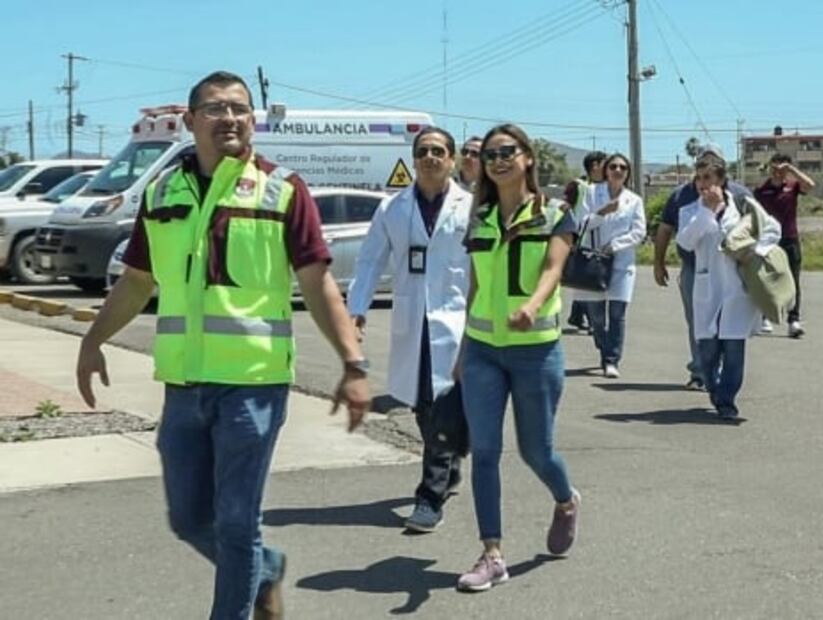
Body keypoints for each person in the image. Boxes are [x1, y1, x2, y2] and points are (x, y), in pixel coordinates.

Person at [74, 71, 371, 620]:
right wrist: (93, 340)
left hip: (253, 387)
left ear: (253, 120)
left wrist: (353, 363)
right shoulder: (163, 192)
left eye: (239, 108)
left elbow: (317, 282)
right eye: (214, 108)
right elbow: (137, 281)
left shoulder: (283, 189)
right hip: (183, 387)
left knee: (237, 522)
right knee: (189, 520)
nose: (229, 118)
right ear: (190, 121)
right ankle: (265, 570)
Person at [457, 124, 580, 592]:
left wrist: (532, 305)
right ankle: (492, 554)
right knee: (485, 451)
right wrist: (463, 350)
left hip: (536, 350)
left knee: (536, 452)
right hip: (483, 351)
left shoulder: (555, 213)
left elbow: (554, 268)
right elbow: (475, 286)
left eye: (507, 151)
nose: (498, 161)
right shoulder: (481, 218)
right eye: (490, 155)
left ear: (528, 157)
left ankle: (566, 500)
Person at [347, 126, 472, 533]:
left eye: (438, 151)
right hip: (412, 320)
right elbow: (370, 260)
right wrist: (357, 309)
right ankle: (447, 465)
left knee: (446, 407)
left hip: (457, 321)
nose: (430, 157)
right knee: (422, 406)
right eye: (423, 151)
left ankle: (429, 497)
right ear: (414, 160)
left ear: (451, 159)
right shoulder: (393, 208)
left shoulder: (472, 207)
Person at [676, 162, 780, 420]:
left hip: (737, 290)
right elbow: (686, 241)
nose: (702, 183)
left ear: (721, 181)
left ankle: (726, 401)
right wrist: (707, 212)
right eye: (698, 178)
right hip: (708, 288)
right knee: (708, 352)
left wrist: (756, 252)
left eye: (708, 177)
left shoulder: (743, 206)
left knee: (734, 349)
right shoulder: (690, 211)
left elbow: (772, 228)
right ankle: (714, 389)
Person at [652, 144, 753, 390]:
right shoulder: (682, 196)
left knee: (731, 327)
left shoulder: (740, 194)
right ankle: (701, 372)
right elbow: (666, 229)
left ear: (721, 171)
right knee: (699, 324)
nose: (702, 180)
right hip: (694, 269)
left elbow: (760, 225)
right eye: (700, 172)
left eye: (711, 166)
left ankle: (725, 385)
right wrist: (658, 262)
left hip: (734, 271)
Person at [573, 153, 646, 378]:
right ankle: (603, 345)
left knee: (617, 313)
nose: (617, 170)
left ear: (628, 172)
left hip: (621, 262)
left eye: (622, 167)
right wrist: (602, 212)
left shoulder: (634, 200)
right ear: (606, 170)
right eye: (613, 166)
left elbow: (639, 231)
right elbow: (580, 224)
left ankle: (611, 360)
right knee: (596, 317)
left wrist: (615, 245)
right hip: (593, 263)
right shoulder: (592, 193)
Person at [754, 153, 815, 338]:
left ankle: (793, 320)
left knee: (793, 280)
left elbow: (810, 185)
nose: (778, 172)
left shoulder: (792, 186)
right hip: (768, 241)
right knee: (767, 279)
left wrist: (791, 169)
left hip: (789, 238)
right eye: (774, 168)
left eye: (782, 168)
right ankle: (765, 316)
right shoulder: (761, 190)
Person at [563, 150, 607, 333]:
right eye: (605, 163)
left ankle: (577, 316)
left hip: (599, 241)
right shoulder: (579, 186)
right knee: (589, 282)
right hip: (583, 240)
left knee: (585, 282)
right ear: (595, 166)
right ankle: (592, 322)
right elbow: (570, 211)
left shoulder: (607, 188)